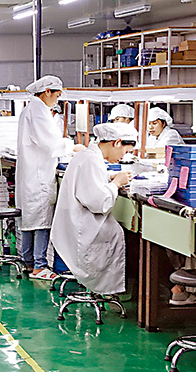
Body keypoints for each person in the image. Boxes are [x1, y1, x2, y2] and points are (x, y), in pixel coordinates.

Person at [50, 122, 135, 297]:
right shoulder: (92, 160)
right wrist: (116, 183)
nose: (123, 157)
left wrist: (109, 176)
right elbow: (99, 203)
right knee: (131, 241)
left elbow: (91, 180)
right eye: (125, 151)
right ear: (117, 142)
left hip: (74, 227)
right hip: (86, 231)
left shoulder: (87, 155)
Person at [16, 75, 77, 280]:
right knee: (41, 219)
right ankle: (39, 266)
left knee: (30, 219)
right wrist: (72, 146)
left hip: (32, 172)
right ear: (47, 92)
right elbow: (50, 142)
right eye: (57, 95)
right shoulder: (38, 110)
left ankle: (28, 262)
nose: (57, 100)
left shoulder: (30, 108)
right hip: (39, 174)